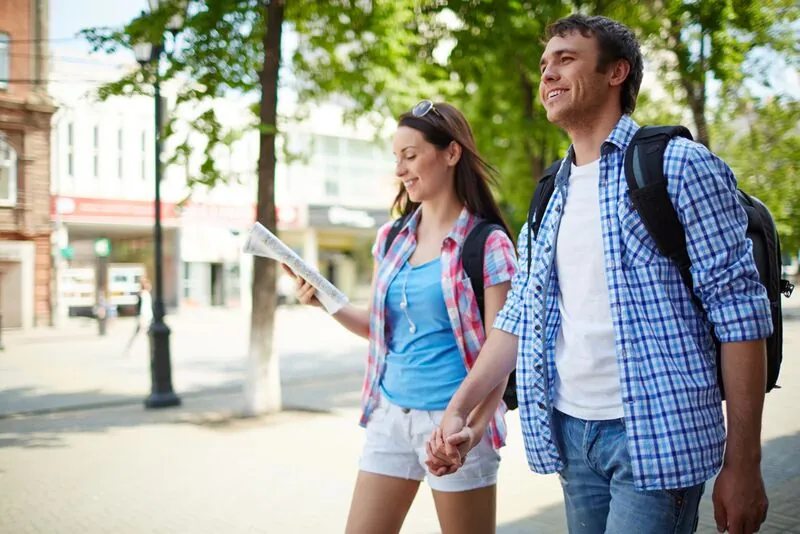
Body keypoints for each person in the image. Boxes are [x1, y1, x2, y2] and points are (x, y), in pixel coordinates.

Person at [426, 14, 773, 534]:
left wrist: (744, 464)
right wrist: (459, 410)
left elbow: (740, 315)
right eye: (544, 64)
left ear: (616, 72)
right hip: (571, 435)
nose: (548, 74)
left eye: (565, 59)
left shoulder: (679, 166)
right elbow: (518, 317)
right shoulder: (551, 193)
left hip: (657, 438)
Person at [284, 100, 517, 534]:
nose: (400, 169)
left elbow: (501, 353)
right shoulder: (392, 238)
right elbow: (379, 330)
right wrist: (325, 301)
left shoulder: (488, 244)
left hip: (452, 424)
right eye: (396, 158)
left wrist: (474, 428)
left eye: (410, 155)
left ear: (451, 153)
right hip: (390, 415)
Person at [125, 278, 153, 354]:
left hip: (146, 316)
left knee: (139, 333)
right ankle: (130, 349)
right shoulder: (144, 294)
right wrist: (142, 316)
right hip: (144, 317)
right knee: (145, 333)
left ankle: (129, 348)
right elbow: (143, 307)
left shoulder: (144, 294)